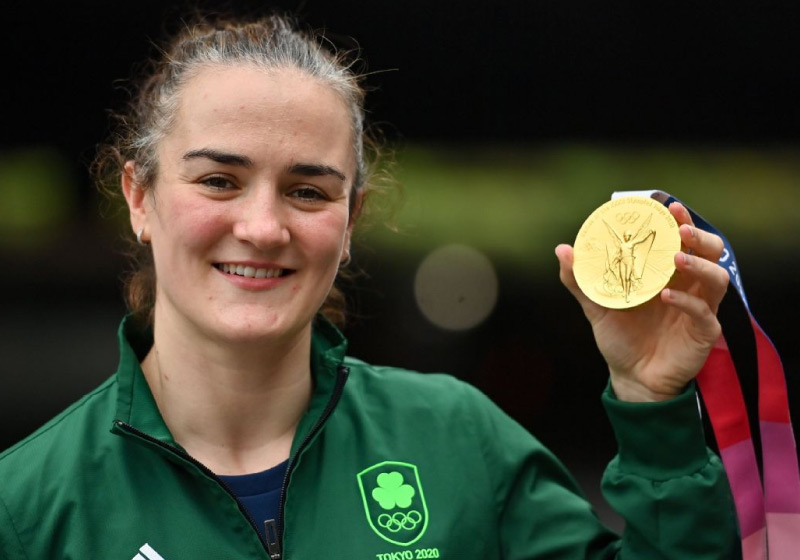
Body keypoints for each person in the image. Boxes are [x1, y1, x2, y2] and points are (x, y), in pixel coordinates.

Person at [0, 13, 738, 560]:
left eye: (308, 192)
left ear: (350, 220)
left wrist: (653, 410)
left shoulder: (458, 440)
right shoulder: (27, 505)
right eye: (219, 180)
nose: (263, 227)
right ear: (139, 198)